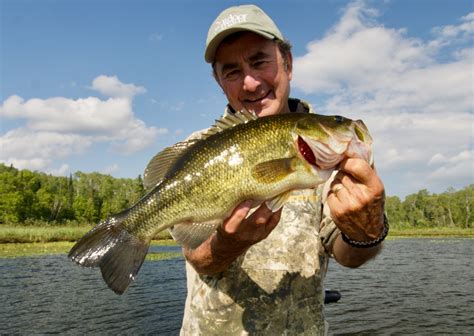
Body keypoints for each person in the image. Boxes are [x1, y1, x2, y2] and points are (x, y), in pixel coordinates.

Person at [178, 4, 387, 335]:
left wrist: (367, 229)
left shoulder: (328, 155)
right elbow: (199, 257)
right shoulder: (197, 150)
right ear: (219, 82)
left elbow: (350, 255)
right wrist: (228, 244)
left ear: (287, 63)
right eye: (231, 71)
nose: (249, 82)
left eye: (260, 61)